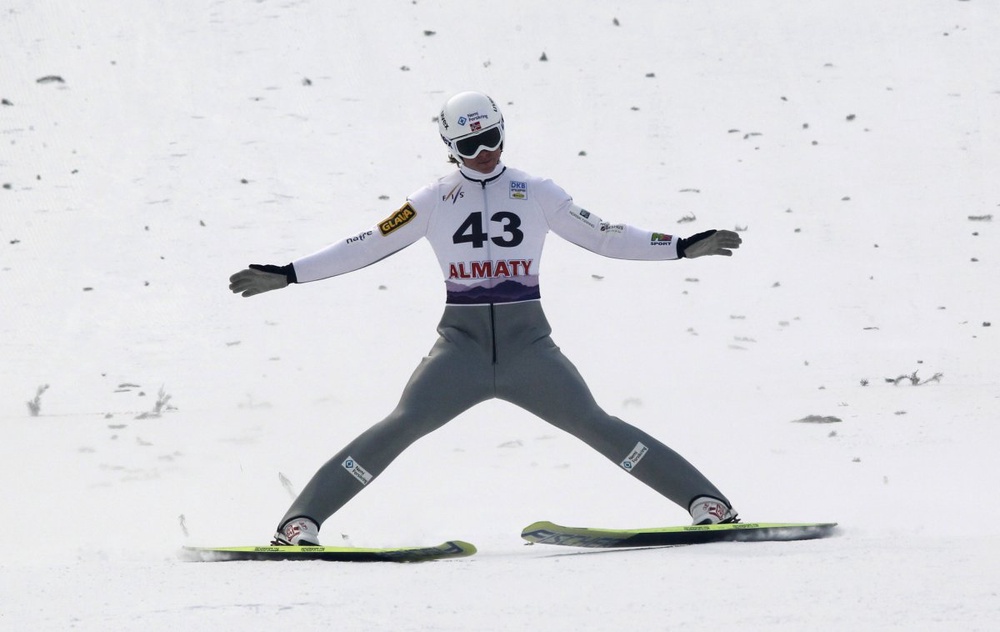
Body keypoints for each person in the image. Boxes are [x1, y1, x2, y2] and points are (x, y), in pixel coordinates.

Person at [229, 91, 743, 546]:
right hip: (462, 351)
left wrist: (678, 246)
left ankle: (708, 505)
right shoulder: (430, 201)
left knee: (593, 423)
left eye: (492, 139)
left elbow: (606, 233)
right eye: (469, 147)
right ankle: (299, 524)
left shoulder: (538, 191)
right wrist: (289, 274)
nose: (484, 154)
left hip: (529, 350)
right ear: (449, 148)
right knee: (401, 425)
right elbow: (365, 244)